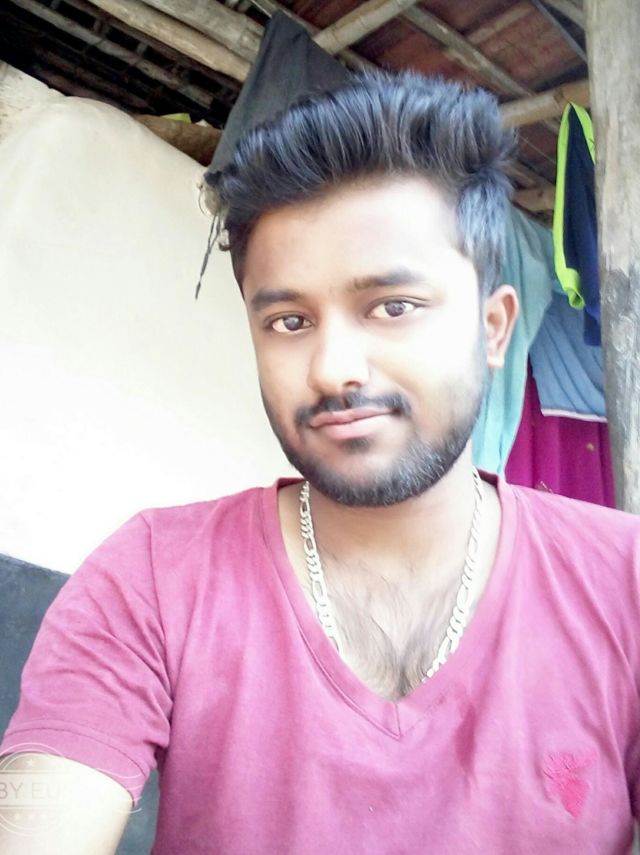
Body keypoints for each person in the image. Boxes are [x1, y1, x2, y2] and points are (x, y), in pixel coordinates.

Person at [1, 70, 640, 855]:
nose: (334, 368)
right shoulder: (151, 578)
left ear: (494, 329)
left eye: (393, 307)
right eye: (289, 320)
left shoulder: (624, 582)